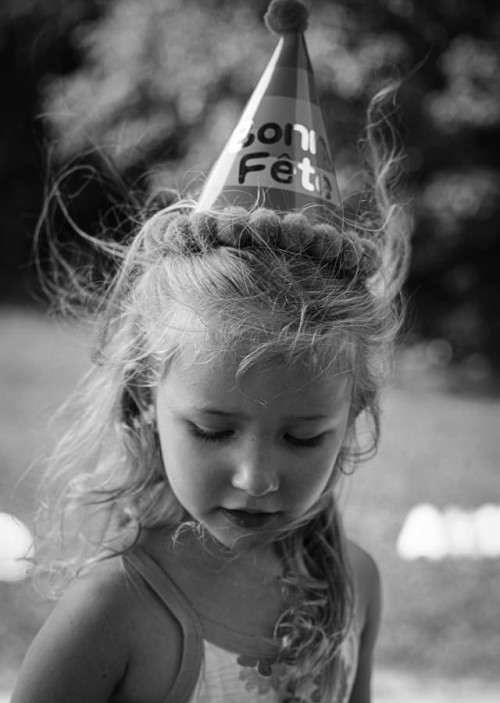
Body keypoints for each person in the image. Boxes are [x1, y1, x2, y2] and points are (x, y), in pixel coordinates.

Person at [12, 1, 409, 702]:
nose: (257, 478)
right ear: (144, 402)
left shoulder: (356, 588)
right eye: (214, 428)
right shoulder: (113, 617)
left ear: (352, 422)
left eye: (304, 435)